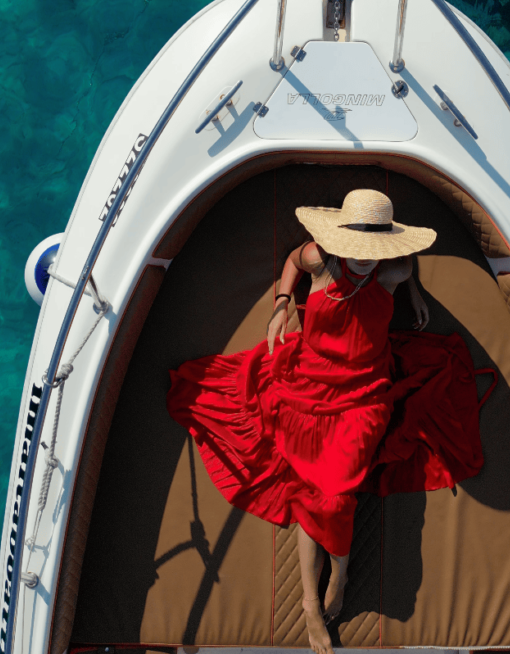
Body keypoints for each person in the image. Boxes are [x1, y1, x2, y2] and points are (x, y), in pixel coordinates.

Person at [167, 190, 486, 654]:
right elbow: (291, 262)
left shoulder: (392, 272)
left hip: (365, 396)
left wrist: (414, 292)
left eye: (372, 249)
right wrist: (282, 303)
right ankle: (313, 601)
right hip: (308, 385)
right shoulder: (320, 261)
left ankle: (336, 577)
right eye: (357, 248)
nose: (363, 258)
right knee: (315, 491)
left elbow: (407, 263)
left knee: (335, 495)